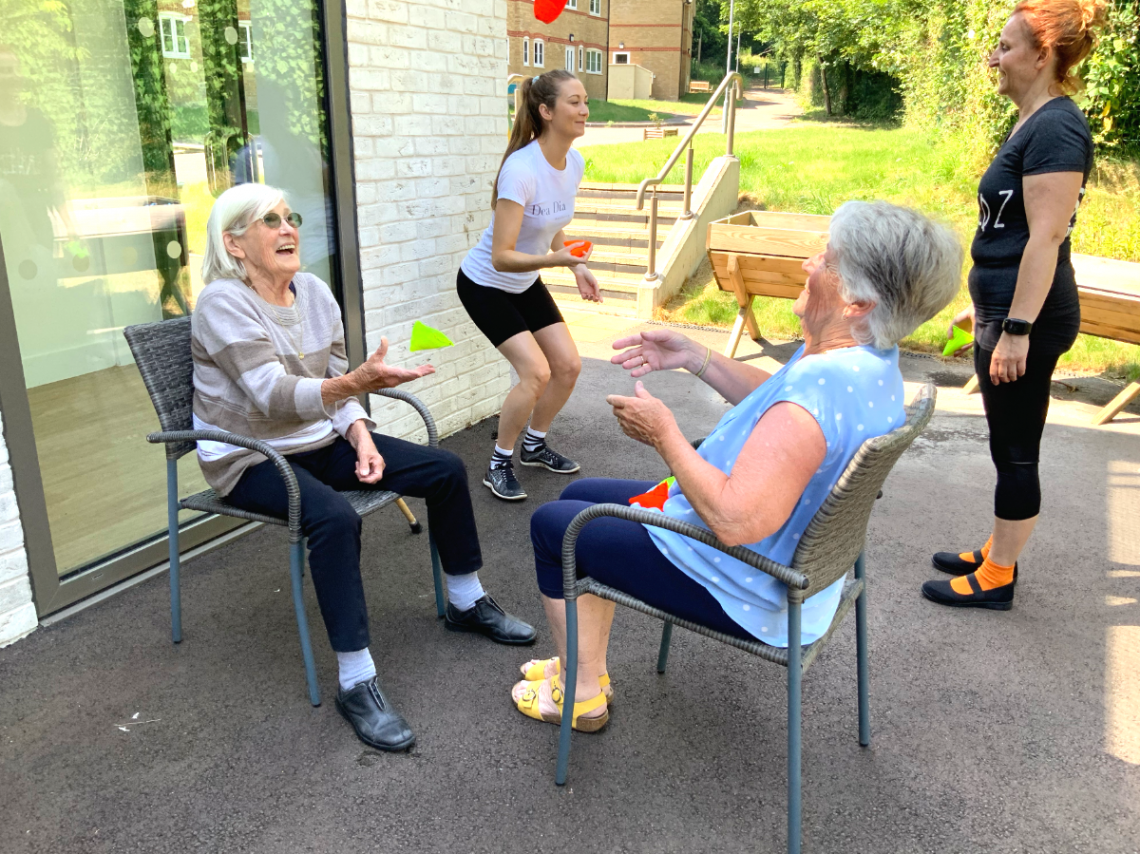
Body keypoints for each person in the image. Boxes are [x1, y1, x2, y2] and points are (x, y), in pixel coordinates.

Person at [512, 202, 962, 731]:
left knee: (554, 528)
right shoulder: (865, 362)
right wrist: (692, 355)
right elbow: (776, 404)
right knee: (578, 496)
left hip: (745, 583)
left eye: (826, 260)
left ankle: (580, 693)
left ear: (858, 302)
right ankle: (585, 665)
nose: (808, 264)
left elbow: (732, 520)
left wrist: (664, 435)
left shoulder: (818, 390)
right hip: (782, 559)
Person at [192, 183, 536, 752]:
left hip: (317, 439)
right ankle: (356, 682)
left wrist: (360, 435)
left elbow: (335, 382)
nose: (288, 228)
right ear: (233, 243)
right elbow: (271, 395)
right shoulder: (222, 304)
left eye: (290, 217)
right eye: (269, 221)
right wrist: (355, 384)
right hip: (248, 455)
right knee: (333, 518)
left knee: (446, 469)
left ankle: (466, 600)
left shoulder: (314, 292)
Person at [922, 0, 1105, 611]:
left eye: (1004, 47)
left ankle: (999, 576)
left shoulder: (1056, 127)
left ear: (1042, 54)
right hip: (1004, 309)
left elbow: (1046, 238)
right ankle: (999, 548)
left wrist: (1017, 328)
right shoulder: (1032, 121)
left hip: (1031, 318)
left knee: (1016, 450)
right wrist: (984, 309)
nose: (992, 58)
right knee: (1007, 444)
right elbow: (1011, 231)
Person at [457, 69, 601, 501]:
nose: (584, 109)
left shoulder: (573, 162)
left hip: (524, 281)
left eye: (585, 100)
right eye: (574, 101)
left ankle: (534, 445)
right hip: (485, 284)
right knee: (536, 373)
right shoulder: (521, 169)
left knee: (568, 366)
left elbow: (550, 225)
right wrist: (555, 261)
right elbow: (501, 255)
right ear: (546, 111)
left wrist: (575, 266)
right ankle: (498, 463)